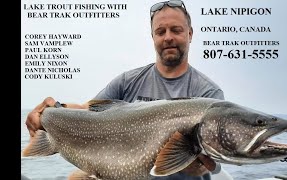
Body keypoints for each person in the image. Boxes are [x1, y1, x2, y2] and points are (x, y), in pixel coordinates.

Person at [25, 1, 233, 179]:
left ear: (190, 34)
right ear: (153, 37)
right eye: (160, 31)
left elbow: (207, 165)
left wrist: (197, 162)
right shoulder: (128, 81)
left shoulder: (209, 96)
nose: (168, 37)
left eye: (176, 30)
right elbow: (86, 110)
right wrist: (51, 109)